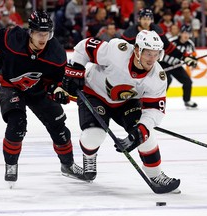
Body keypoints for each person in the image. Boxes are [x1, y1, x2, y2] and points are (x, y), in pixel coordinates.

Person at [0, 10, 87, 185]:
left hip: (38, 89)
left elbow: (56, 81)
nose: (43, 38)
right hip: (11, 86)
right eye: (40, 33)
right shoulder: (12, 38)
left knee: (59, 127)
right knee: (17, 124)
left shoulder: (56, 53)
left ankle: (68, 165)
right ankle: (11, 164)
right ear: (30, 32)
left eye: (47, 33)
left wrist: (58, 90)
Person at [62, 30, 181, 193]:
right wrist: (76, 69)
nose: (152, 59)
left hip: (126, 101)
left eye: (156, 54)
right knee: (93, 136)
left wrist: (140, 131)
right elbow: (85, 47)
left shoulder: (157, 76)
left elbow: (154, 110)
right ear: (137, 50)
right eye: (148, 53)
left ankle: (156, 175)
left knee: (145, 136)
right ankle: (89, 157)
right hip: (94, 93)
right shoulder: (118, 50)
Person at [121, 8, 197, 72]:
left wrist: (184, 57)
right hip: (133, 65)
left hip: (150, 64)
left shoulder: (157, 31)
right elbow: (121, 49)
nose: (146, 21)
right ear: (139, 19)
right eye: (144, 19)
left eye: (148, 19)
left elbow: (168, 48)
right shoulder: (130, 33)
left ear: (151, 20)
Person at [160, 24, 198, 109]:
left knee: (188, 82)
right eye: (184, 33)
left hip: (176, 65)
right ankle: (159, 100)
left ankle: (187, 101)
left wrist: (193, 62)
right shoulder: (172, 41)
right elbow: (161, 50)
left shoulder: (190, 44)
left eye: (188, 33)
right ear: (180, 33)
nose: (186, 35)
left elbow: (192, 57)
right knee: (167, 80)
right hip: (163, 63)